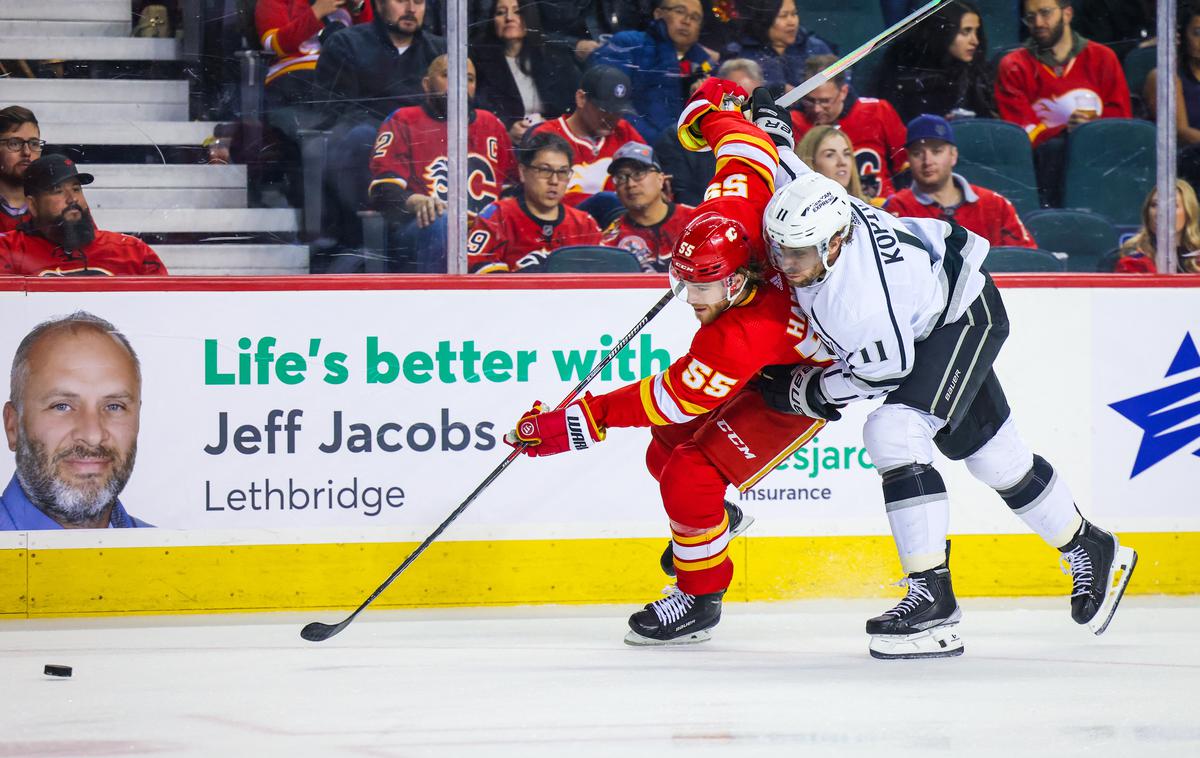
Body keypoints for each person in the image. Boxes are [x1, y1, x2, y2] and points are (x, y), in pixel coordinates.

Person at [756, 149, 1138, 660]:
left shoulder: (858, 299)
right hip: (934, 311)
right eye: (781, 249)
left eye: (799, 254)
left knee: (892, 431)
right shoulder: (831, 210)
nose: (786, 264)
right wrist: (762, 130)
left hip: (962, 317)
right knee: (996, 460)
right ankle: (1089, 544)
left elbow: (882, 372)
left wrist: (813, 392)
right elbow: (794, 173)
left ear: (835, 242)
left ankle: (932, 596)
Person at [506, 79, 832, 645]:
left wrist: (568, 425)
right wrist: (715, 106)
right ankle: (714, 522)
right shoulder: (731, 206)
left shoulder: (739, 334)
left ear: (738, 277)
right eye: (684, 282)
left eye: (705, 287)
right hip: (760, 358)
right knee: (666, 446)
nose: (692, 300)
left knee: (689, 472)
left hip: (804, 377)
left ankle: (699, 598)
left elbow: (667, 395)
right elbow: (744, 149)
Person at [1, 312, 151, 530]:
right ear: (12, 426)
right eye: (62, 406)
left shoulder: (174, 559)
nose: (93, 435)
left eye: (114, 406)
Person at [369, 55, 516, 272]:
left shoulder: (492, 124)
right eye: (448, 75)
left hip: (482, 234)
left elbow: (512, 190)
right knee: (444, 222)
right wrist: (414, 200)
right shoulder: (403, 120)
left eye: (468, 78)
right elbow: (383, 191)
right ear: (427, 84)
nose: (459, 84)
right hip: (421, 231)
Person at [995, 0, 1131, 207]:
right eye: (1030, 17)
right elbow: (1023, 130)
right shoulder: (1014, 65)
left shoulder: (1103, 58)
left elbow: (1121, 119)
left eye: (1045, 13)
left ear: (1067, 14)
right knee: (1055, 149)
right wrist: (1068, 130)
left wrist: (1089, 131)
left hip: (1101, 158)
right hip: (1044, 164)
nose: (1038, 22)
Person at [884, 115, 1036, 249]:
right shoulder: (898, 208)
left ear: (953, 155)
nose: (927, 161)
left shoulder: (996, 204)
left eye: (936, 151)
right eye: (917, 153)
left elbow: (1027, 260)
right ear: (908, 159)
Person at [0, 156, 168, 277]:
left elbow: (162, 311)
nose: (72, 199)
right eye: (58, 191)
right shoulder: (8, 250)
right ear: (33, 206)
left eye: (76, 189)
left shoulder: (133, 251)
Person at [467, 131, 602, 273]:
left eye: (562, 172)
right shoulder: (498, 216)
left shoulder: (585, 224)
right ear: (523, 172)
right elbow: (477, 271)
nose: (554, 181)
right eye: (544, 170)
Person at [588, 0, 716, 144]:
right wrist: (662, 143)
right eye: (680, 11)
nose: (687, 21)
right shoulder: (628, 44)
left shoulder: (707, 67)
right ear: (658, 14)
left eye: (695, 17)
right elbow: (611, 103)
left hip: (679, 154)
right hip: (630, 147)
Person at [529, 65, 644, 218]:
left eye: (618, 112)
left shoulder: (624, 131)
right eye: (604, 109)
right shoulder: (548, 135)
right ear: (581, 99)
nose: (611, 118)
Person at [791, 54, 908, 200]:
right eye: (809, 100)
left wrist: (898, 205)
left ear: (843, 92)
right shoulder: (793, 123)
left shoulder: (877, 111)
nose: (817, 109)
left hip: (882, 211)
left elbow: (905, 166)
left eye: (825, 101)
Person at [653, 58, 762, 207]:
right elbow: (683, 196)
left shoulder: (765, 132)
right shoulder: (678, 137)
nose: (746, 110)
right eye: (738, 101)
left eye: (751, 102)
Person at [469, 0, 581, 144]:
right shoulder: (478, 62)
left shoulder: (555, 56)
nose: (509, 18)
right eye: (500, 12)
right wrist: (507, 131)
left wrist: (552, 127)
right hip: (508, 144)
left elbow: (571, 107)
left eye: (518, 11)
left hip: (554, 140)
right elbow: (480, 111)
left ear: (530, 16)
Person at [876, 0, 997, 123]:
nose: (975, 41)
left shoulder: (976, 73)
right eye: (966, 31)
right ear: (944, 32)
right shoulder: (904, 71)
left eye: (976, 31)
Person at [256, 0, 374, 112]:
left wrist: (360, 8)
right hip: (295, 75)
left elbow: (373, 46)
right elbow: (274, 46)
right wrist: (317, 12)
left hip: (345, 76)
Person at [599, 142, 697, 272]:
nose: (630, 184)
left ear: (661, 179)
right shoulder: (611, 240)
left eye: (639, 173)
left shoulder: (696, 221)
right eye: (621, 177)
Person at [723, 0, 833, 95]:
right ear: (765, 19)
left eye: (794, 14)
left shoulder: (816, 48)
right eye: (783, 16)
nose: (792, 22)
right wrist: (777, 90)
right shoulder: (739, 54)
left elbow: (842, 88)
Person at [1114, 180, 1200, 274]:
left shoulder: (1197, 258)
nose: (1161, 212)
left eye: (1172, 205)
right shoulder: (1129, 258)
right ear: (1147, 212)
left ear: (1189, 212)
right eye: (1155, 205)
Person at [795, 126, 870, 204]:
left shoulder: (873, 208)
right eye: (830, 155)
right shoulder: (797, 210)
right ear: (811, 162)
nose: (842, 162)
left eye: (846, 154)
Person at [0, 106, 41, 234]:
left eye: (34, 144)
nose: (27, 152)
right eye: (15, 143)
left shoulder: (58, 202)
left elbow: (90, 251)